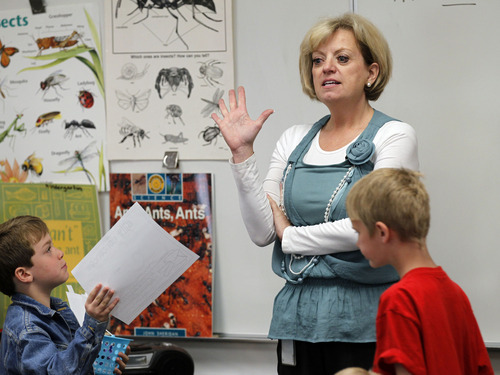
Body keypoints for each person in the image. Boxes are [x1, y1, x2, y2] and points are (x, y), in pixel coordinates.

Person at [212, 12, 419, 375]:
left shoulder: (395, 136)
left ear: (371, 72)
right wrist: (242, 155)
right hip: (299, 317)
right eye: (317, 60)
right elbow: (262, 232)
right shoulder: (293, 138)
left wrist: (289, 235)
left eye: (342, 58)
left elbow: (369, 229)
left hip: (367, 316)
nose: (327, 68)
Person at [345, 168, 494, 375]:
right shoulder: (456, 294)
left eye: (358, 232)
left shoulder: (399, 300)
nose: (358, 242)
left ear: (382, 232)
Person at [0, 215, 130, 374]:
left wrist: (97, 366)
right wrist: (93, 323)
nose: (60, 253)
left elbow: (71, 363)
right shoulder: (26, 328)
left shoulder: (58, 310)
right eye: (48, 249)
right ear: (24, 274)